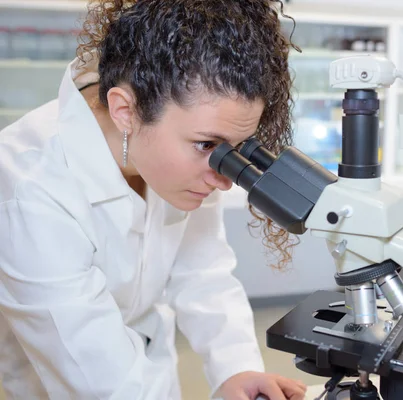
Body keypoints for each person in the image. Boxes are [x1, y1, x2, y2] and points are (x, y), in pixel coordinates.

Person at [0, 1, 306, 399]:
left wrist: (236, 369)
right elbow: (98, 374)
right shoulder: (29, 189)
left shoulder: (185, 155)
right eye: (207, 144)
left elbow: (203, 271)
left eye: (235, 150)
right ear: (125, 111)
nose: (223, 179)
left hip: (152, 362)